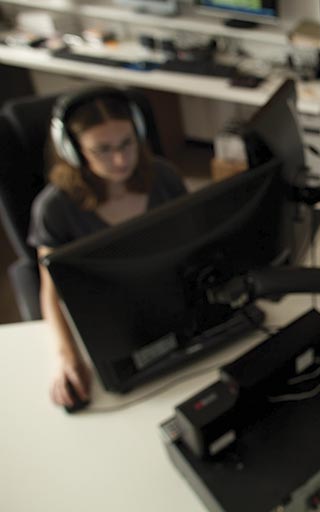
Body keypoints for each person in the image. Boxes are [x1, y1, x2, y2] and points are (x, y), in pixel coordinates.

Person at [27, 86, 187, 408]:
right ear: (73, 151)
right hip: (110, 322)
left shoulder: (164, 178)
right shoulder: (55, 208)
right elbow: (51, 291)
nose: (120, 159)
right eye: (102, 149)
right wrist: (66, 357)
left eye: (127, 143)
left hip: (167, 302)